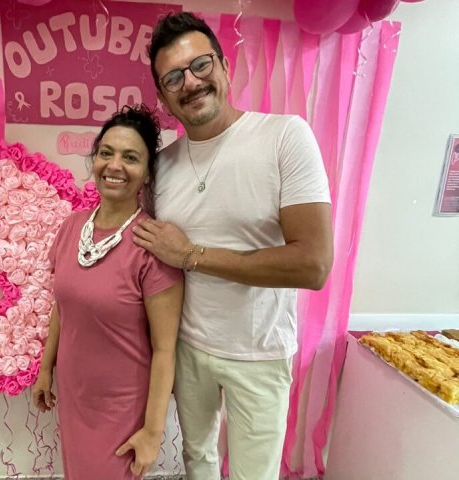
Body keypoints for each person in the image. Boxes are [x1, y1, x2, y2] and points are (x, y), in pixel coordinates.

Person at [132, 12, 334, 480]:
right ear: (163, 95)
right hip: (187, 348)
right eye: (174, 77)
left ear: (224, 66)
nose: (191, 82)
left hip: (260, 353)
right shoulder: (162, 166)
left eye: (200, 65)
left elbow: (313, 264)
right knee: (197, 460)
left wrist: (192, 255)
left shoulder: (284, 136)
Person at [32, 105, 184, 480]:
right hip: (75, 392)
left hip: (121, 407)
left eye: (130, 157)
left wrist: (152, 433)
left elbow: (165, 349)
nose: (114, 165)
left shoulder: (152, 245)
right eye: (106, 153)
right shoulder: (72, 228)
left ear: (147, 173)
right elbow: (63, 307)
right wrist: (45, 369)